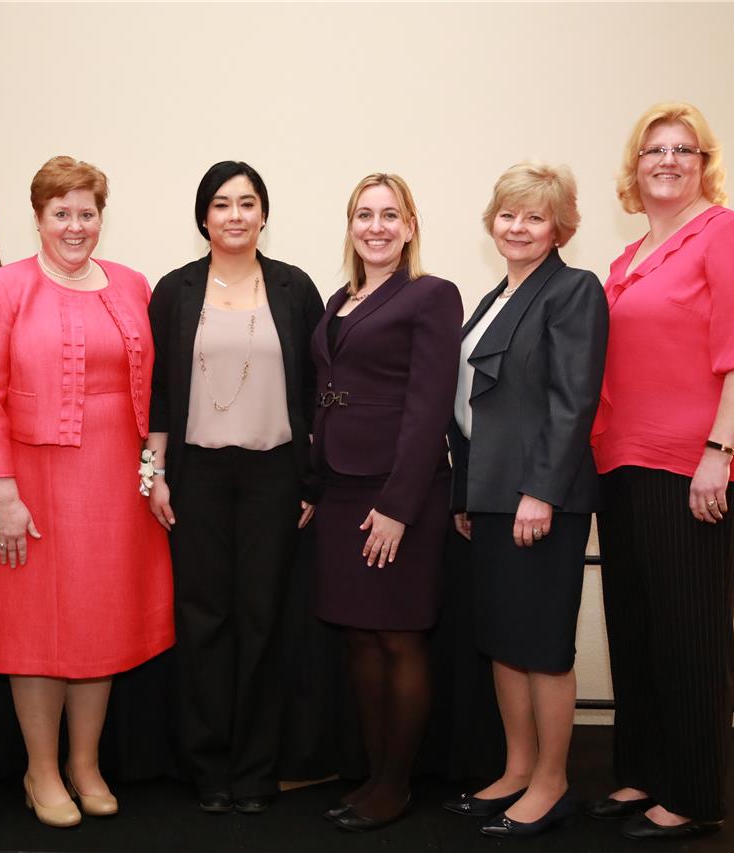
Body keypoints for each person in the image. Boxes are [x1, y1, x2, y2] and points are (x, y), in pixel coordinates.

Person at [0, 155, 174, 828]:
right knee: (37, 626)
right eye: (61, 214)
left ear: (101, 217)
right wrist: (2, 496)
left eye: (87, 213)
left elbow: (157, 389)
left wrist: (153, 469)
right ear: (39, 218)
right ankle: (41, 769)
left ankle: (85, 762)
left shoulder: (133, 284)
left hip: (115, 483)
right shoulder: (2, 288)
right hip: (30, 485)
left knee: (100, 621)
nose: (75, 226)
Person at [588, 102, 734, 841]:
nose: (667, 160)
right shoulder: (628, 259)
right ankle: (645, 769)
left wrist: (718, 454)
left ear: (705, 164)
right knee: (636, 627)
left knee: (690, 631)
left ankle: (695, 795)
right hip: (622, 461)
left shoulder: (732, 235)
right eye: (653, 150)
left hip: (695, 463)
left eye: (683, 149)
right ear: (634, 168)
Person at [145, 161, 324, 814]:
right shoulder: (175, 290)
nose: (235, 215)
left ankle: (254, 770)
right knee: (203, 620)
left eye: (247, 203)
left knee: (262, 619)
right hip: (197, 475)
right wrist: (154, 474)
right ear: (203, 217)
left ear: (264, 215)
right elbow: (158, 393)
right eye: (221, 204)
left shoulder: (294, 287)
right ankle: (208, 766)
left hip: (274, 475)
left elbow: (318, 391)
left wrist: (313, 479)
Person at [442, 163, 608, 838]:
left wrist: (539, 491)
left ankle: (552, 782)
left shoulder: (573, 291)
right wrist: (465, 493)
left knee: (541, 645)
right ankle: (516, 769)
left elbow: (573, 401)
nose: (518, 227)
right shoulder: (493, 299)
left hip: (540, 500)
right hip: (489, 496)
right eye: (508, 214)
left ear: (559, 228)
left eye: (535, 217)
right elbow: (470, 409)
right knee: (502, 642)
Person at [310, 173, 463, 832]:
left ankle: (395, 786)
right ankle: (374, 777)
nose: (376, 227)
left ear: (409, 227)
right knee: (360, 637)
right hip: (342, 489)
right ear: (350, 226)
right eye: (364, 215)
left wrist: (399, 505)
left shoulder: (432, 295)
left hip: (400, 492)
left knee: (399, 637)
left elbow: (429, 406)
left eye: (389, 215)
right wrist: (312, 484)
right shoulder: (339, 299)